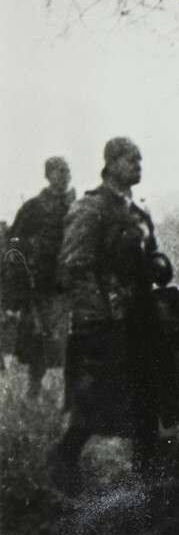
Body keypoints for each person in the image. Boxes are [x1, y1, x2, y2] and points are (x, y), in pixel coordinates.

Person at [47, 138, 179, 492]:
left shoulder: (138, 210)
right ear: (110, 164)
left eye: (140, 159)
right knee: (99, 397)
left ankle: (147, 474)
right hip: (105, 319)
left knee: (149, 392)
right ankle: (64, 459)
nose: (138, 165)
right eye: (130, 159)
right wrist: (101, 313)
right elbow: (74, 266)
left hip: (139, 315)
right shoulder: (90, 208)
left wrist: (157, 265)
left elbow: (150, 253)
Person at [6, 156, 74, 400]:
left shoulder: (76, 206)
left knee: (71, 339)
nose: (64, 176)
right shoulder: (33, 207)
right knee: (37, 338)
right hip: (40, 284)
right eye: (59, 171)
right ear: (48, 175)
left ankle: (69, 394)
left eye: (67, 171)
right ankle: (34, 388)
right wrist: (30, 249)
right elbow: (13, 240)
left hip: (68, 283)